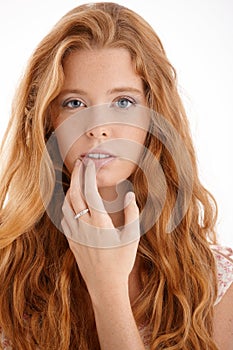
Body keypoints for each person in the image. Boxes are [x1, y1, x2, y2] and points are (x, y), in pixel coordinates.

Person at [0, 2, 232, 349]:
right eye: (74, 103)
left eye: (123, 102)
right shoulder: (6, 276)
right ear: (48, 121)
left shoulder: (213, 282)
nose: (97, 128)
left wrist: (107, 289)